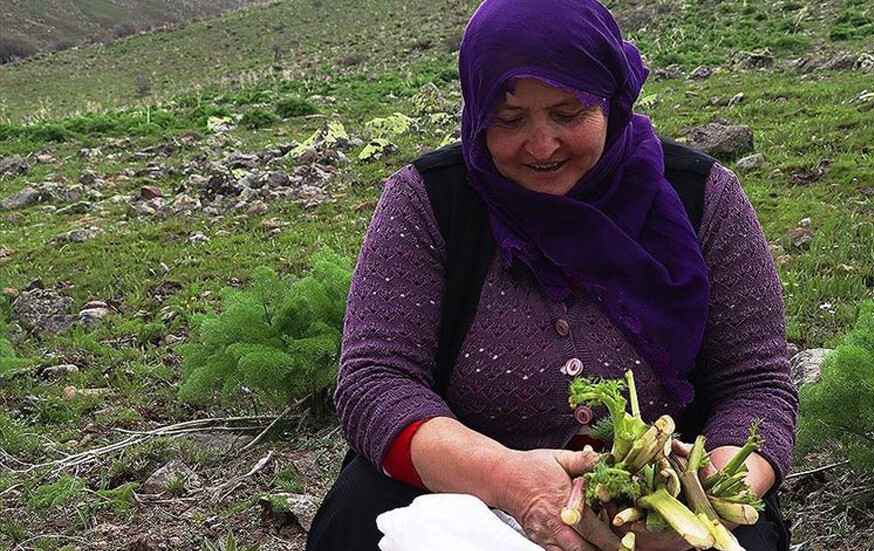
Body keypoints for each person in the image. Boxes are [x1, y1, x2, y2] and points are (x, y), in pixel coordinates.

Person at [306, 0, 797, 549]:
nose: (541, 146)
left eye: (568, 113)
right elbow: (375, 382)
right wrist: (507, 480)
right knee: (362, 524)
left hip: (666, 501)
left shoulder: (702, 198)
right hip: (467, 491)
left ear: (611, 100)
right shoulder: (430, 203)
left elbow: (756, 385)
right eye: (508, 119)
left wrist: (704, 503)